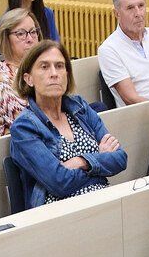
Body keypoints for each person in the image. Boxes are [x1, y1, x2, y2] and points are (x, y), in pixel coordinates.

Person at [8, 41, 126, 210]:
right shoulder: (24, 126)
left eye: (60, 66)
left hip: (102, 199)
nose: (54, 73)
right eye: (44, 67)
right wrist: (99, 161)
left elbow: (120, 158)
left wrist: (82, 161)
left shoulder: (79, 108)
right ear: (29, 79)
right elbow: (59, 182)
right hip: (60, 212)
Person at [0, 8, 43, 137]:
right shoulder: (2, 80)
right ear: (6, 39)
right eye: (21, 34)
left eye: (33, 32)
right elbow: (29, 124)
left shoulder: (42, 68)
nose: (30, 39)